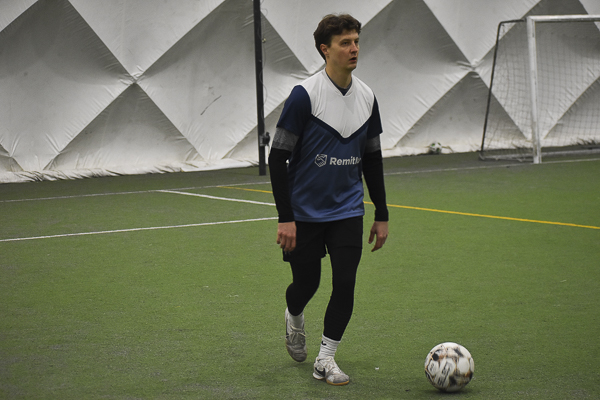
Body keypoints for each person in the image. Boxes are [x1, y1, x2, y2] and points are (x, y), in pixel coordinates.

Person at [268, 13, 389, 386]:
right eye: (345, 43)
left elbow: (372, 159)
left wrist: (382, 213)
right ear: (325, 49)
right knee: (307, 284)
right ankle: (294, 316)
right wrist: (285, 217)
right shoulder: (305, 96)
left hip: (348, 209)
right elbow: (277, 157)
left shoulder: (367, 97)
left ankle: (326, 358)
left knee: (345, 282)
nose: (354, 49)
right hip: (304, 213)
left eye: (356, 41)